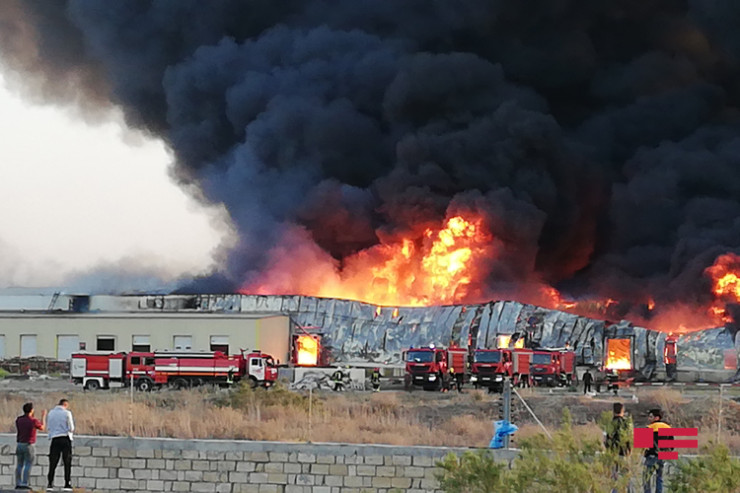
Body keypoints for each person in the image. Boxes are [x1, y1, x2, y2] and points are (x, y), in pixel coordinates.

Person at [15, 402, 46, 490]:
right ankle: (25, 482)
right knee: (28, 464)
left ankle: (18, 482)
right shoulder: (33, 421)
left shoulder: (19, 420)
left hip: (20, 444)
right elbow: (42, 427)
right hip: (29, 444)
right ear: (31, 410)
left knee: (19, 464)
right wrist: (43, 417)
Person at [47, 398, 75, 491]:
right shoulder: (67, 413)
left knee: (53, 462)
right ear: (65, 405)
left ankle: (50, 483)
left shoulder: (51, 413)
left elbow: (49, 426)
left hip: (54, 439)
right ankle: (67, 483)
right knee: (67, 461)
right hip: (65, 438)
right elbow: (71, 428)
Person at [605, 402, 632, 493]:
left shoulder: (610, 424)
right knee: (626, 475)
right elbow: (630, 437)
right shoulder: (626, 423)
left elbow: (606, 439)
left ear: (613, 411)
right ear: (622, 410)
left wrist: (608, 449)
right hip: (624, 452)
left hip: (613, 452)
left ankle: (614, 491)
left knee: (614, 475)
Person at [643, 408, 671, 493]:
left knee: (646, 478)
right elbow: (671, 445)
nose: (649, 418)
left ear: (657, 418)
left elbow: (641, 445)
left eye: (651, 417)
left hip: (651, 456)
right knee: (660, 478)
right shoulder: (668, 428)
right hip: (662, 456)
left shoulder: (648, 428)